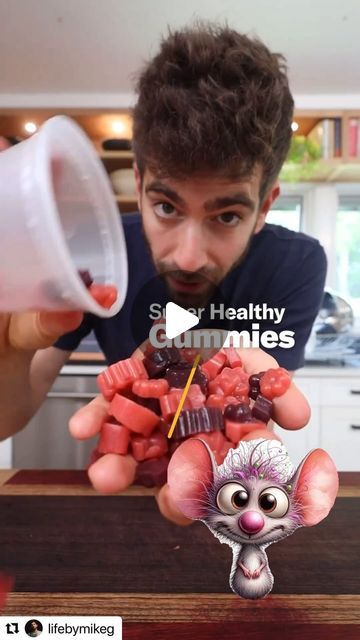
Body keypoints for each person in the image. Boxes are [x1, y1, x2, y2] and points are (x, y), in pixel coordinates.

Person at [0, 22, 324, 524]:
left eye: (227, 215)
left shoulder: (297, 262)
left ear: (265, 207)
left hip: (236, 505)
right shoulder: (92, 258)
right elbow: (8, 416)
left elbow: (258, 399)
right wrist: (10, 353)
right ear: (141, 180)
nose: (189, 257)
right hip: (119, 494)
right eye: (167, 207)